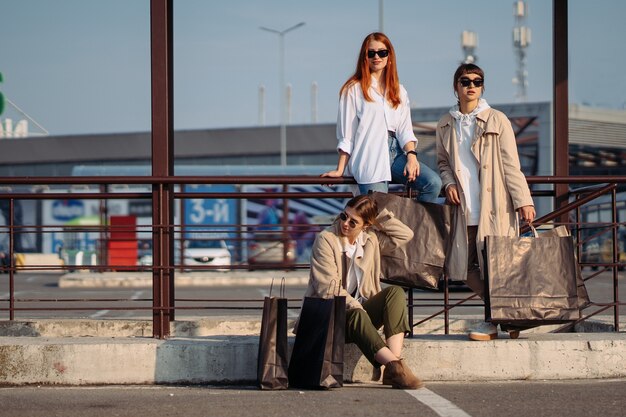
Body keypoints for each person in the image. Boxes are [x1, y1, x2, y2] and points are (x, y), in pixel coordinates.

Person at [436, 63, 536, 341]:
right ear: (455, 86)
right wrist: (449, 183)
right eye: (465, 81)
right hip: (463, 208)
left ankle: (492, 322)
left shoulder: (497, 120)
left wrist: (523, 201)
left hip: (495, 207)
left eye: (477, 82)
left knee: (497, 268)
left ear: (482, 87)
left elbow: (511, 166)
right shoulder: (445, 123)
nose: (471, 86)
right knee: (464, 268)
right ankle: (509, 316)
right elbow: (443, 163)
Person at [297, 194, 423, 389]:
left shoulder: (370, 240)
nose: (345, 224)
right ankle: (394, 366)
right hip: (328, 318)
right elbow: (328, 288)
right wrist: (358, 307)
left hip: (358, 317)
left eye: (353, 221)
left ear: (366, 225)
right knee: (356, 314)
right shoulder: (326, 240)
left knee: (395, 293)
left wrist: (378, 216)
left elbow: (405, 235)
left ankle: (394, 365)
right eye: (343, 216)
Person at [322, 32, 441, 202]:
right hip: (370, 155)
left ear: (389, 56)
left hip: (396, 154)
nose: (376, 57)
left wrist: (412, 156)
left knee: (432, 183)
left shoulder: (399, 90)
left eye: (382, 52)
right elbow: (346, 135)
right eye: (371, 53)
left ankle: (414, 228)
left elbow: (405, 129)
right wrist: (340, 169)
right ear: (365, 57)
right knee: (379, 215)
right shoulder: (353, 89)